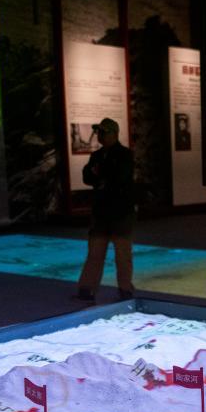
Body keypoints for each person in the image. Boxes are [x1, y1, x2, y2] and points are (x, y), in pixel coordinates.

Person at [75, 117, 136, 302]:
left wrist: (100, 174)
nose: (99, 135)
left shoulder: (124, 155)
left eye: (103, 132)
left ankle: (125, 289)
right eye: (99, 132)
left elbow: (119, 177)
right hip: (101, 212)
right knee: (95, 252)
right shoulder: (97, 155)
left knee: (122, 254)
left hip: (120, 213)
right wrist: (102, 176)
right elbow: (87, 176)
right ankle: (87, 288)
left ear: (114, 134)